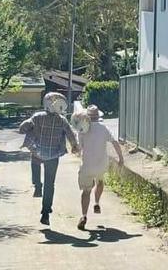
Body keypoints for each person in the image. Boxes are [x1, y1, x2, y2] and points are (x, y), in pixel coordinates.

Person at [19, 92, 79, 225]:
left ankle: (37, 184)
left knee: (34, 163)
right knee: (50, 183)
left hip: (38, 151)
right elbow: (71, 135)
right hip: (53, 155)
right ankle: (46, 212)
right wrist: (75, 146)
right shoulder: (62, 120)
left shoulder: (37, 117)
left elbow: (22, 128)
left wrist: (27, 127)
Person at [75, 105, 124, 231]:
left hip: (87, 165)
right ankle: (97, 203)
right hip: (101, 164)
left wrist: (76, 150)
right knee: (100, 181)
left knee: (86, 191)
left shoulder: (82, 130)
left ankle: (84, 216)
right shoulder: (104, 128)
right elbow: (115, 142)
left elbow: (78, 149)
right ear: (98, 116)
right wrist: (120, 158)